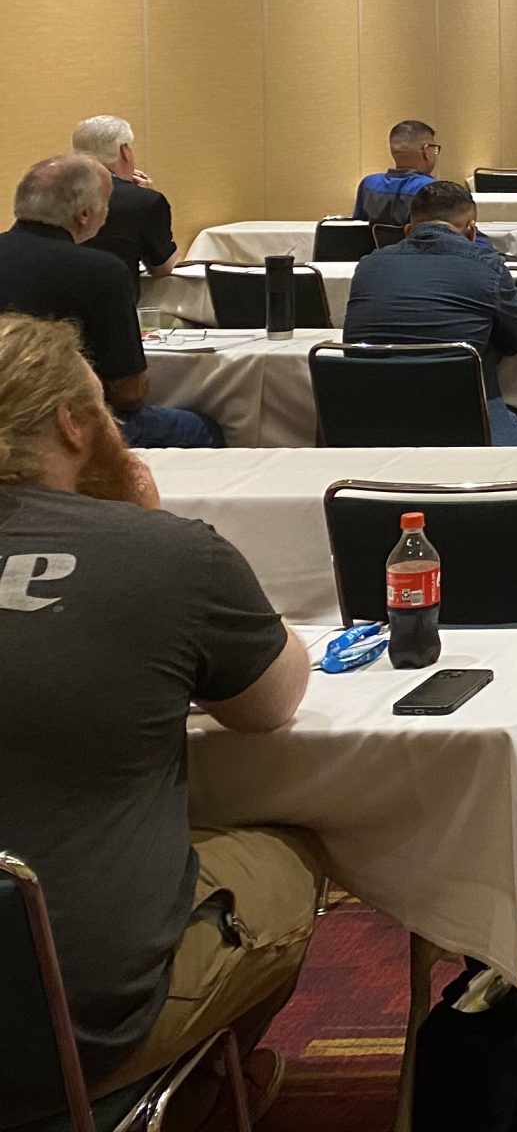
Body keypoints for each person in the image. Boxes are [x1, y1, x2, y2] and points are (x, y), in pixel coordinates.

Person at [0, 311, 318, 1113]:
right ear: (74, 424)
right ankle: (199, 1096)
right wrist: (143, 523)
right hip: (65, 1029)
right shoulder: (170, 553)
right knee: (289, 858)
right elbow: (272, 702)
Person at [0, 157, 220, 449]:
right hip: (67, 423)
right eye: (107, 203)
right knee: (204, 429)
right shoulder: (101, 271)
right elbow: (128, 394)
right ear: (85, 214)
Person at [342, 181, 517, 445]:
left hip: (369, 427)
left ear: (408, 230)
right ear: (471, 231)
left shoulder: (368, 266)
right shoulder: (488, 266)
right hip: (467, 427)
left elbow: (352, 346)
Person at [71, 116, 177, 287]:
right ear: (124, 150)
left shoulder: (49, 192)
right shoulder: (143, 201)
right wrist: (141, 196)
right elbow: (162, 268)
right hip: (113, 298)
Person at [353, 119, 441, 229]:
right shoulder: (431, 189)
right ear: (426, 150)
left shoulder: (368, 184)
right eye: (435, 149)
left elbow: (357, 230)